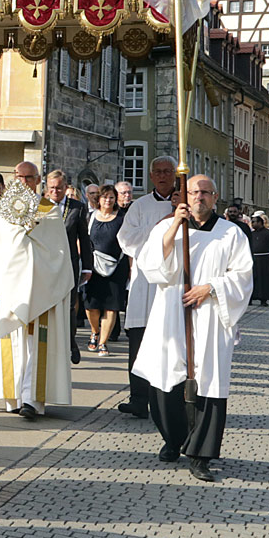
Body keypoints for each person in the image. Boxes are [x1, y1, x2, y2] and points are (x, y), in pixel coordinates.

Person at [133, 175, 252, 481]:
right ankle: (174, 440)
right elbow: (151, 266)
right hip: (172, 312)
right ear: (184, 195)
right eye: (194, 192)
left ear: (215, 197)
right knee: (165, 379)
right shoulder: (167, 227)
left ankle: (200, 454)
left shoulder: (231, 233)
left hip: (212, 313)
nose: (200, 197)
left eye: (206, 193)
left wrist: (210, 287)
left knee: (210, 382)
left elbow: (243, 276)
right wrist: (174, 226)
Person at [0, 164, 74, 418]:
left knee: (37, 344)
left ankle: (33, 400)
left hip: (41, 287)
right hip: (9, 287)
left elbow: (57, 252)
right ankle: (13, 398)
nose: (24, 181)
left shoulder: (49, 210)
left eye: (29, 177)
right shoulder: (4, 211)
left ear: (38, 180)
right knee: (11, 343)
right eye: (20, 177)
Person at [116, 156, 177, 418]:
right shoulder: (139, 206)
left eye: (167, 171)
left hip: (173, 283)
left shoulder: (185, 204)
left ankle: (168, 400)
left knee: (170, 346)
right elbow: (126, 239)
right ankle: (139, 399)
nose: (163, 176)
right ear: (151, 176)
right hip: (144, 283)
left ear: (175, 175)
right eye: (158, 172)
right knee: (139, 345)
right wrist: (161, 227)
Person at [46, 169, 93, 357]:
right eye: (51, 188)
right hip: (46, 263)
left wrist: (87, 266)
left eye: (58, 188)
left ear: (65, 188)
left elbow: (84, 238)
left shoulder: (77, 207)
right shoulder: (40, 206)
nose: (55, 192)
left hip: (69, 262)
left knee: (69, 303)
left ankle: (70, 341)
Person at [84, 185, 128, 355]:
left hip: (116, 267)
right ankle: (95, 331)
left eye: (111, 197)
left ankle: (103, 342)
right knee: (91, 305)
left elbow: (128, 243)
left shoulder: (122, 218)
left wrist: (130, 268)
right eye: (104, 197)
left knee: (111, 306)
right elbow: (83, 240)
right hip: (93, 266)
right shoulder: (90, 217)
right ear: (99, 199)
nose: (107, 200)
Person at [249, 213, 269, 305]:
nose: (252, 224)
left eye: (254, 222)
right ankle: (250, 298)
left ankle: (263, 299)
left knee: (264, 279)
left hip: (265, 260)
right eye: (252, 222)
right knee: (252, 279)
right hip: (253, 259)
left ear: (260, 222)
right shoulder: (251, 234)